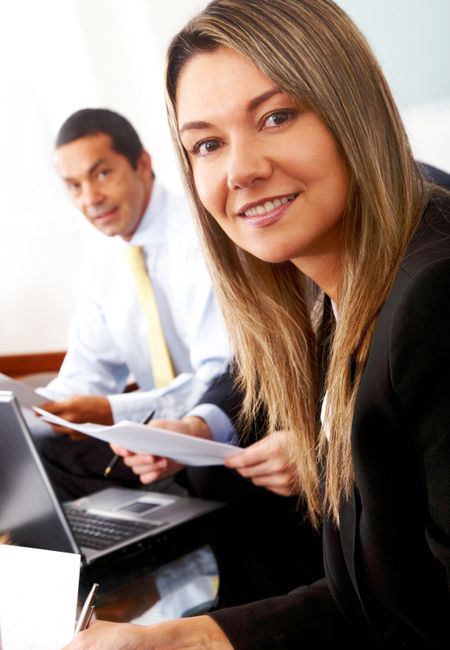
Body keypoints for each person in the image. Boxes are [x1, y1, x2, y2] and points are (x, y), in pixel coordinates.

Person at [63, 0, 449, 648]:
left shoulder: (432, 298)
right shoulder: (331, 302)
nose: (240, 170)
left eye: (276, 117)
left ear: (352, 107)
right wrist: (176, 640)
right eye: (208, 144)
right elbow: (381, 593)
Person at [38, 107, 323, 605]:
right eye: (75, 186)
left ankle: (205, 561)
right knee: (43, 452)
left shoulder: (206, 232)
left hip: (238, 415)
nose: (91, 198)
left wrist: (114, 412)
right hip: (155, 433)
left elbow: (226, 373)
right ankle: (117, 555)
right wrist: (36, 411)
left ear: (143, 164)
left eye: (101, 173)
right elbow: (83, 375)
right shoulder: (102, 263)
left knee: (209, 457)